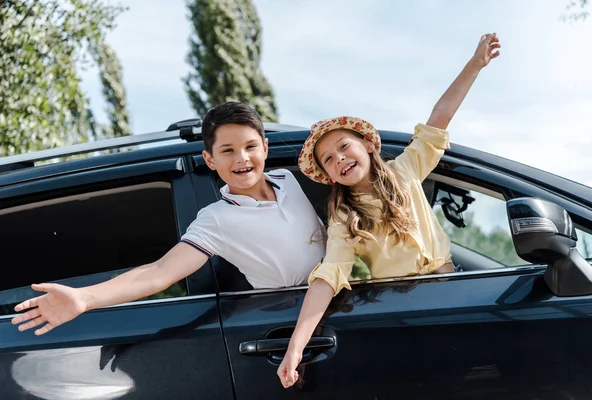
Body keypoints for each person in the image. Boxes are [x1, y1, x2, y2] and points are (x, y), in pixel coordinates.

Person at [277, 32, 501, 388]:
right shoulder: (344, 218)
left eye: (344, 146)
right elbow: (328, 277)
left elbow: (438, 119)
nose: (340, 159)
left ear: (366, 143)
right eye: (329, 160)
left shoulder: (405, 170)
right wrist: (295, 347)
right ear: (328, 175)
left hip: (452, 293)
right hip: (408, 313)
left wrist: (475, 64)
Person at [11, 101, 326, 336]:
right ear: (210, 159)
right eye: (227, 150)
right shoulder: (216, 219)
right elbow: (159, 272)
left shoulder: (287, 178)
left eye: (250, 147)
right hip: (292, 319)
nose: (242, 158)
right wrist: (84, 297)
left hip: (342, 299)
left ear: (266, 148)